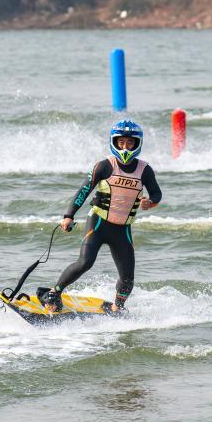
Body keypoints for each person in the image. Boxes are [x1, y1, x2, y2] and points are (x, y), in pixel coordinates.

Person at [40, 120, 162, 314]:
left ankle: (117, 308)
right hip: (98, 224)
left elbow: (157, 193)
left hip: (122, 230)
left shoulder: (144, 170)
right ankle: (54, 293)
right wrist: (68, 216)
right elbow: (83, 191)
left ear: (137, 144)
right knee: (85, 262)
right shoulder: (104, 166)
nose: (125, 147)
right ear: (114, 142)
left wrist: (150, 202)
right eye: (121, 142)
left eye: (129, 143)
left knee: (128, 278)